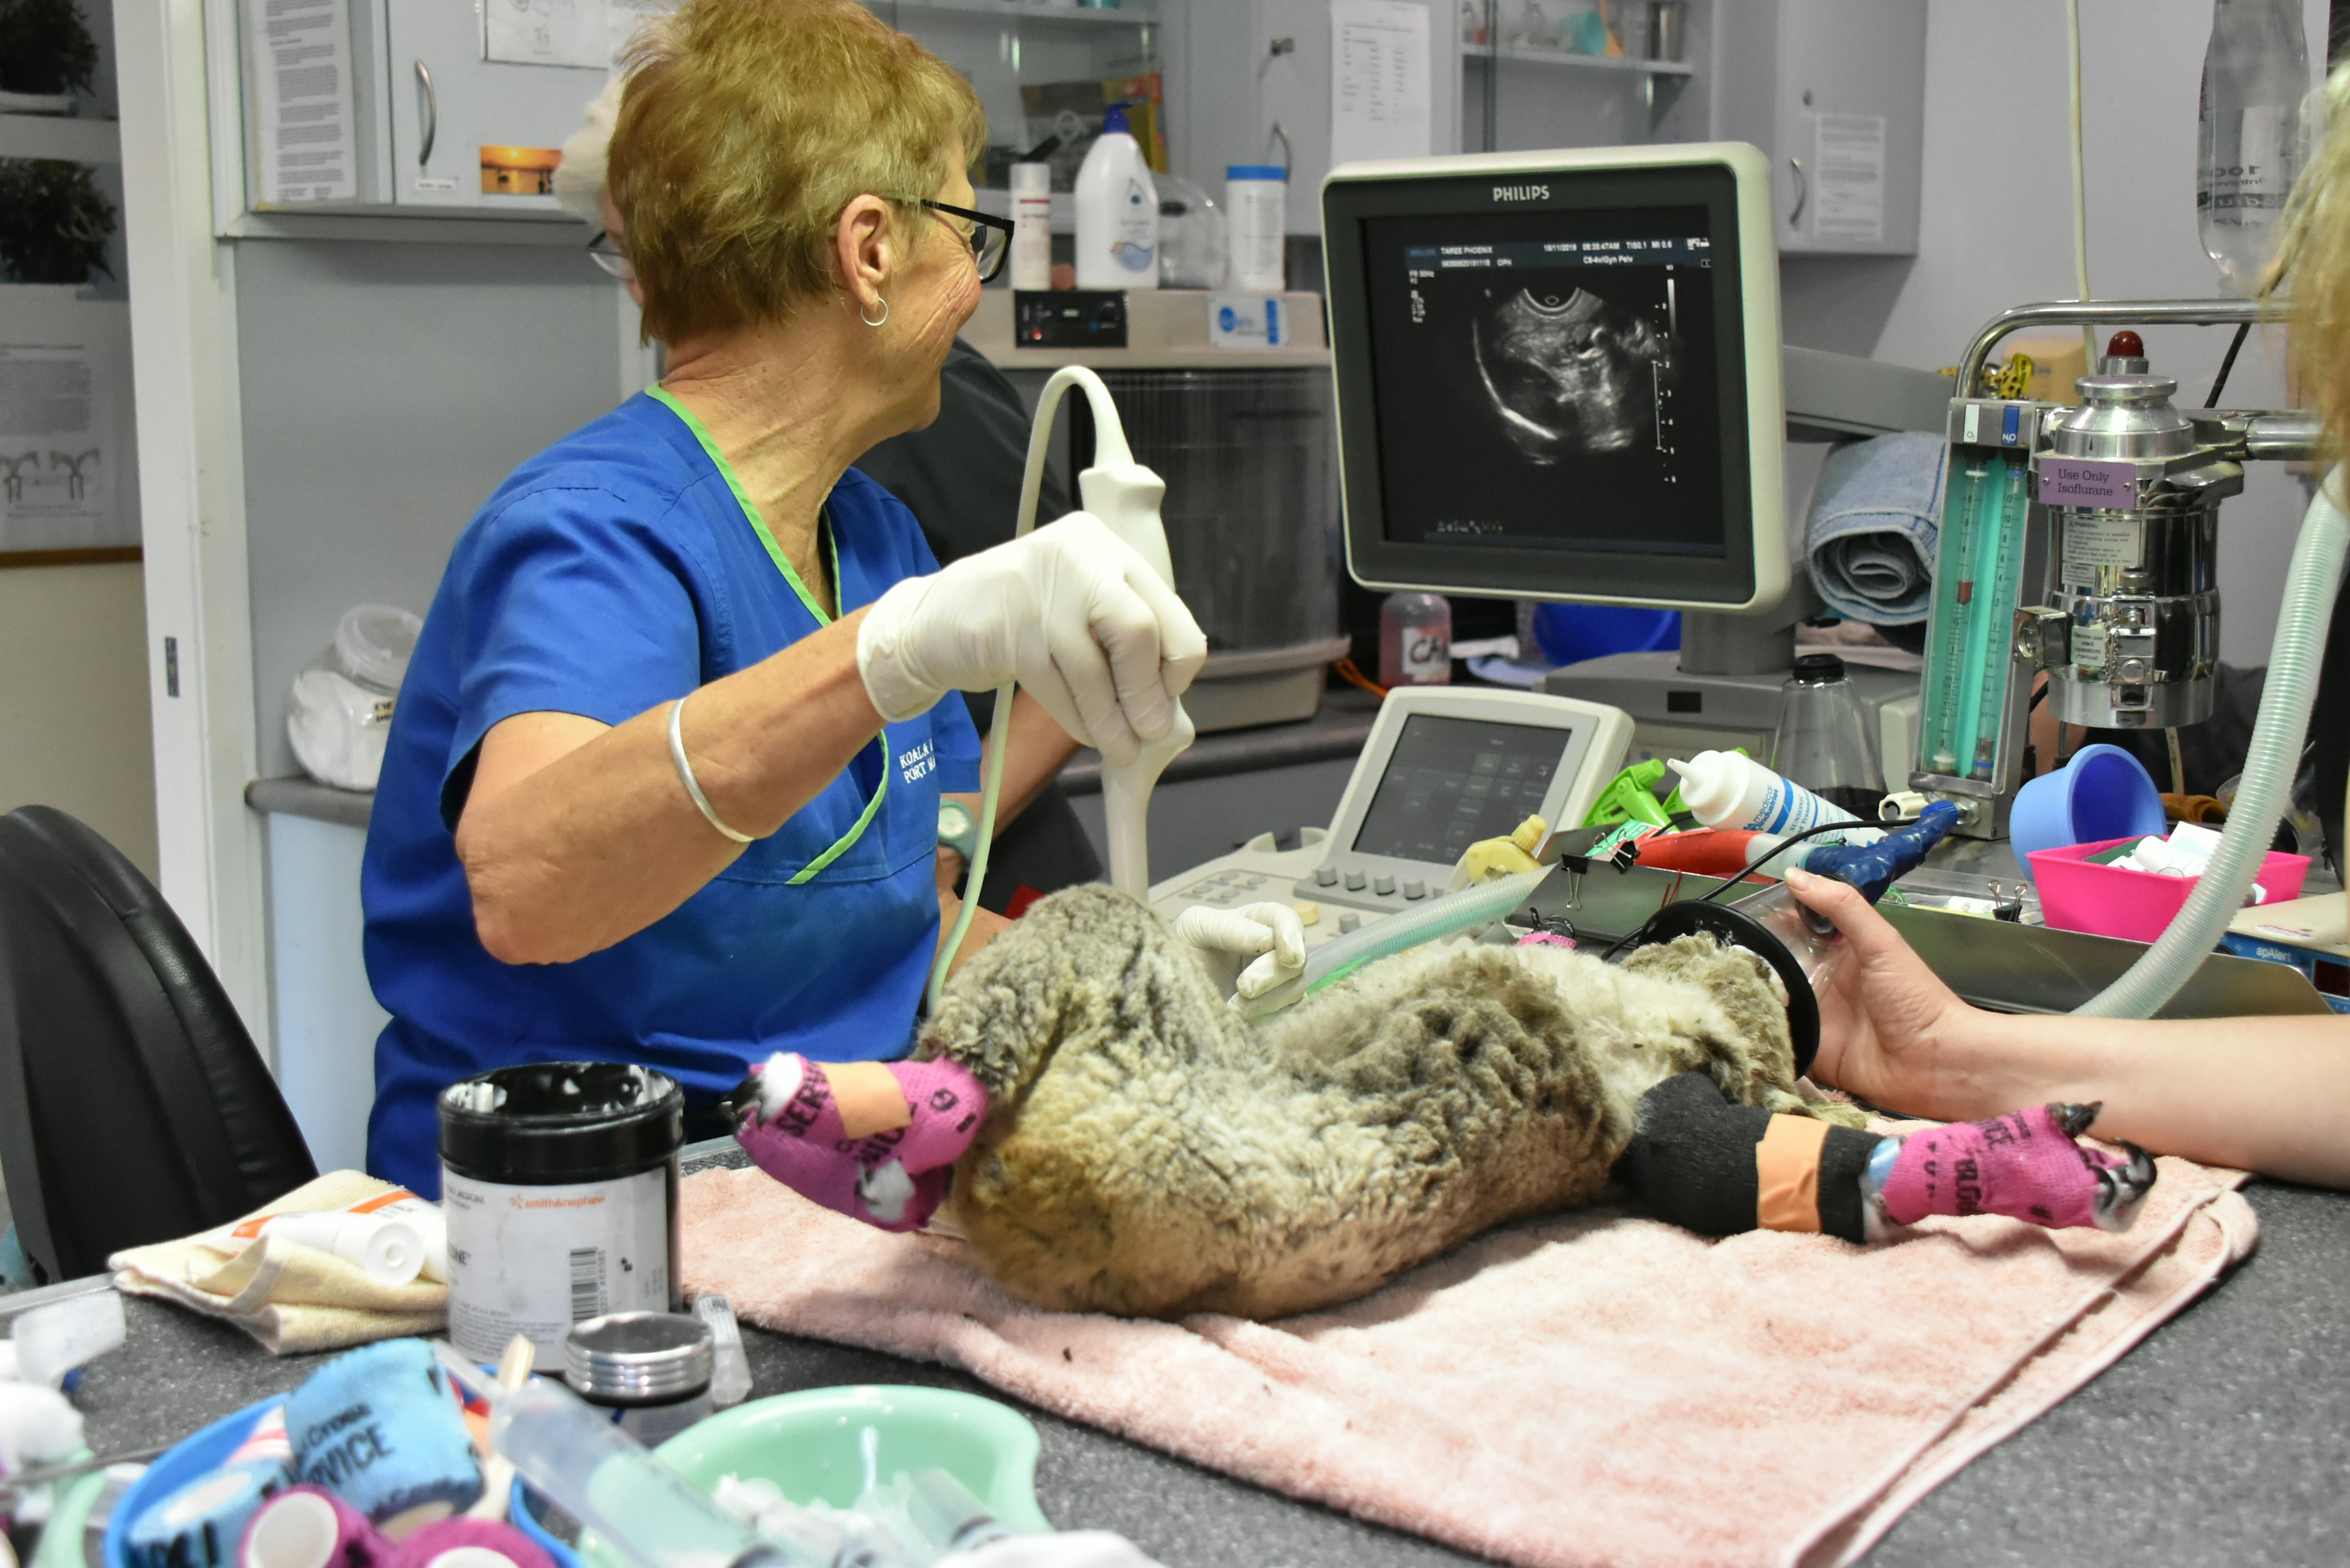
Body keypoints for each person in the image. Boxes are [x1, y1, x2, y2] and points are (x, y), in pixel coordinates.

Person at [360, 0, 1209, 1195]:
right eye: (967, 233)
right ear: (868, 251)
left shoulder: (873, 534)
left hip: (820, 1178)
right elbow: (525, 889)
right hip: (580, 1215)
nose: (974, 282)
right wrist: (885, 655)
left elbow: (912, 914)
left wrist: (1148, 980)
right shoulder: (595, 532)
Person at [554, 61, 1099, 916]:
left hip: (993, 889)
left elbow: (918, 897)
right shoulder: (601, 526)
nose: (647, 277)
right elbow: (541, 871)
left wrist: (947, 833)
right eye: (630, 245)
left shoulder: (902, 461)